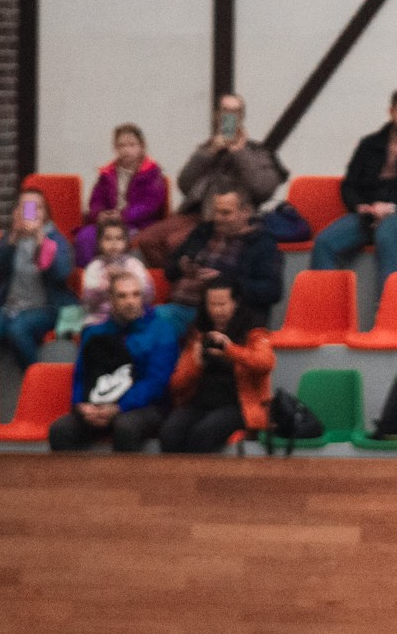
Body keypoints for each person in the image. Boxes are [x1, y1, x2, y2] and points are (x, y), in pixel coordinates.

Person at [312, 87, 397, 311]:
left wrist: (391, 208)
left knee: (387, 235)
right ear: (391, 112)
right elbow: (349, 184)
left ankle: (389, 314)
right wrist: (360, 206)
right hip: (367, 215)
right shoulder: (369, 145)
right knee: (324, 242)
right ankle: (325, 313)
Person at [139, 93, 288, 267]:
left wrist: (239, 153)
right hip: (196, 213)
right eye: (225, 111)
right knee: (147, 240)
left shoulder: (258, 152)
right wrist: (207, 154)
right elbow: (184, 184)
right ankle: (175, 282)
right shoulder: (207, 149)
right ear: (218, 116)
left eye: (235, 112)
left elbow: (263, 190)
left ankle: (184, 283)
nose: (229, 116)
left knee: (175, 243)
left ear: (241, 117)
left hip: (228, 218)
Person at [47, 271, 176, 452]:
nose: (130, 301)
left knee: (125, 427)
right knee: (61, 430)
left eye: (135, 294)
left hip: (146, 406)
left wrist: (119, 407)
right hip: (97, 403)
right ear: (112, 300)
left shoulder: (162, 331)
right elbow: (82, 375)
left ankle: (123, 481)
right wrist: (81, 405)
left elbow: (157, 381)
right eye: (122, 296)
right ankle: (71, 481)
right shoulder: (94, 332)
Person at [162, 283, 273, 454]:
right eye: (212, 304)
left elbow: (265, 363)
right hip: (199, 403)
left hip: (238, 406)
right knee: (170, 432)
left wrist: (229, 349)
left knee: (203, 433)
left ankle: (198, 480)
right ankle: (175, 480)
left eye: (222, 304)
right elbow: (176, 385)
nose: (217, 310)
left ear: (235, 303)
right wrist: (196, 363)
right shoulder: (199, 335)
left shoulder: (253, 331)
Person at [0, 187, 74, 370]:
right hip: (11, 306)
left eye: (37, 208)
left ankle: (38, 381)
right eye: (26, 207)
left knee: (17, 330)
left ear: (46, 213)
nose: (31, 212)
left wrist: (39, 238)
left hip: (45, 307)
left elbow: (61, 274)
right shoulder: (11, 237)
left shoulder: (55, 239)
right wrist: (12, 239)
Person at [162, 188, 282, 334]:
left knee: (158, 323)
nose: (218, 218)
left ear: (246, 212)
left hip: (223, 318)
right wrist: (182, 266)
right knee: (142, 319)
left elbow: (272, 291)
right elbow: (169, 270)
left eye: (225, 213)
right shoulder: (203, 232)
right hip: (180, 306)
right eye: (216, 212)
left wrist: (224, 280)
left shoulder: (261, 244)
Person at [73, 123, 167, 265]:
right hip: (107, 222)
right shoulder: (107, 173)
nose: (126, 150)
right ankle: (90, 277)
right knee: (85, 237)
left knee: (116, 240)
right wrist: (100, 214)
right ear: (115, 148)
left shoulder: (152, 173)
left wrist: (122, 216)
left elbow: (149, 205)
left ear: (142, 147)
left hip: (137, 225)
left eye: (131, 145)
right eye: (121, 146)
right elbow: (96, 201)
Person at [75, 213, 153, 330]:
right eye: (108, 239)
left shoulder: (134, 264)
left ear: (126, 242)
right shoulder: (94, 267)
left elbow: (149, 296)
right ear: (99, 242)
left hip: (131, 318)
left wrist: (125, 280)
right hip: (101, 318)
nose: (114, 243)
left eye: (119, 238)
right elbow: (88, 302)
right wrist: (104, 285)